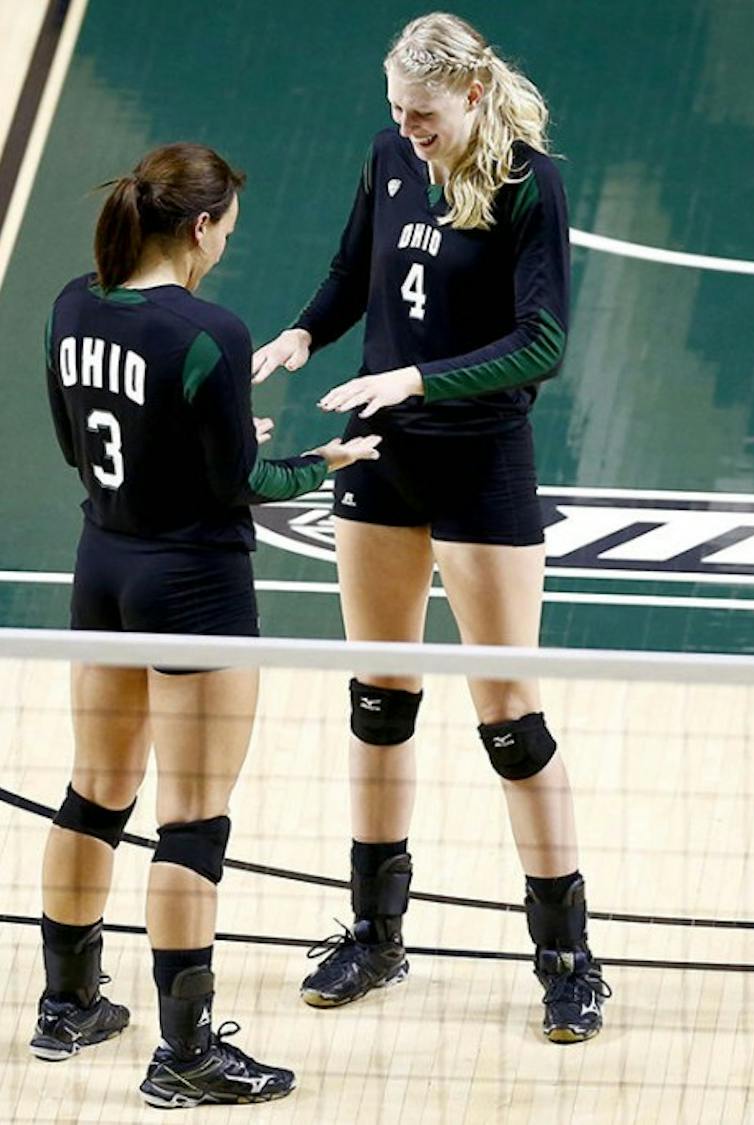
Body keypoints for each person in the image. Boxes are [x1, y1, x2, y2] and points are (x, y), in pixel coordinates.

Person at [250, 12, 605, 1041]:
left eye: (425, 116)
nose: (409, 131)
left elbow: (541, 343)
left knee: (510, 717)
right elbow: (356, 269)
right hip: (380, 455)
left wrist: (418, 375)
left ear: (475, 97)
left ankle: (567, 956)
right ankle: (375, 933)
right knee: (380, 695)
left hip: (482, 460)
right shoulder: (387, 154)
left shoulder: (529, 184)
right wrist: (304, 332)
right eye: (398, 114)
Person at [37, 142, 379, 1106]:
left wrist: (205, 443)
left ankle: (66, 1007)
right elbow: (242, 483)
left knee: (94, 794)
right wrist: (324, 461)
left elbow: (81, 441)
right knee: (192, 822)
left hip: (100, 569)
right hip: (193, 589)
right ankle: (184, 1054)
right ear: (198, 228)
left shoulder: (72, 303)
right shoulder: (211, 331)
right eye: (226, 229)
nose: (227, 244)